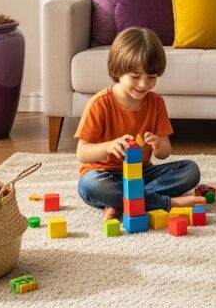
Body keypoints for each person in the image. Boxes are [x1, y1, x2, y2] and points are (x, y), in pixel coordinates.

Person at [75, 27, 206, 219]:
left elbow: (165, 151)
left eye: (151, 77)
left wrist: (160, 146)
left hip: (143, 174)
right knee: (90, 185)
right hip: (105, 175)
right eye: (135, 77)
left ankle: (124, 202)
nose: (144, 84)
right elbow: (82, 153)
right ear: (117, 70)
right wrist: (109, 147)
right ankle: (165, 203)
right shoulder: (99, 104)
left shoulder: (156, 102)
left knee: (190, 170)